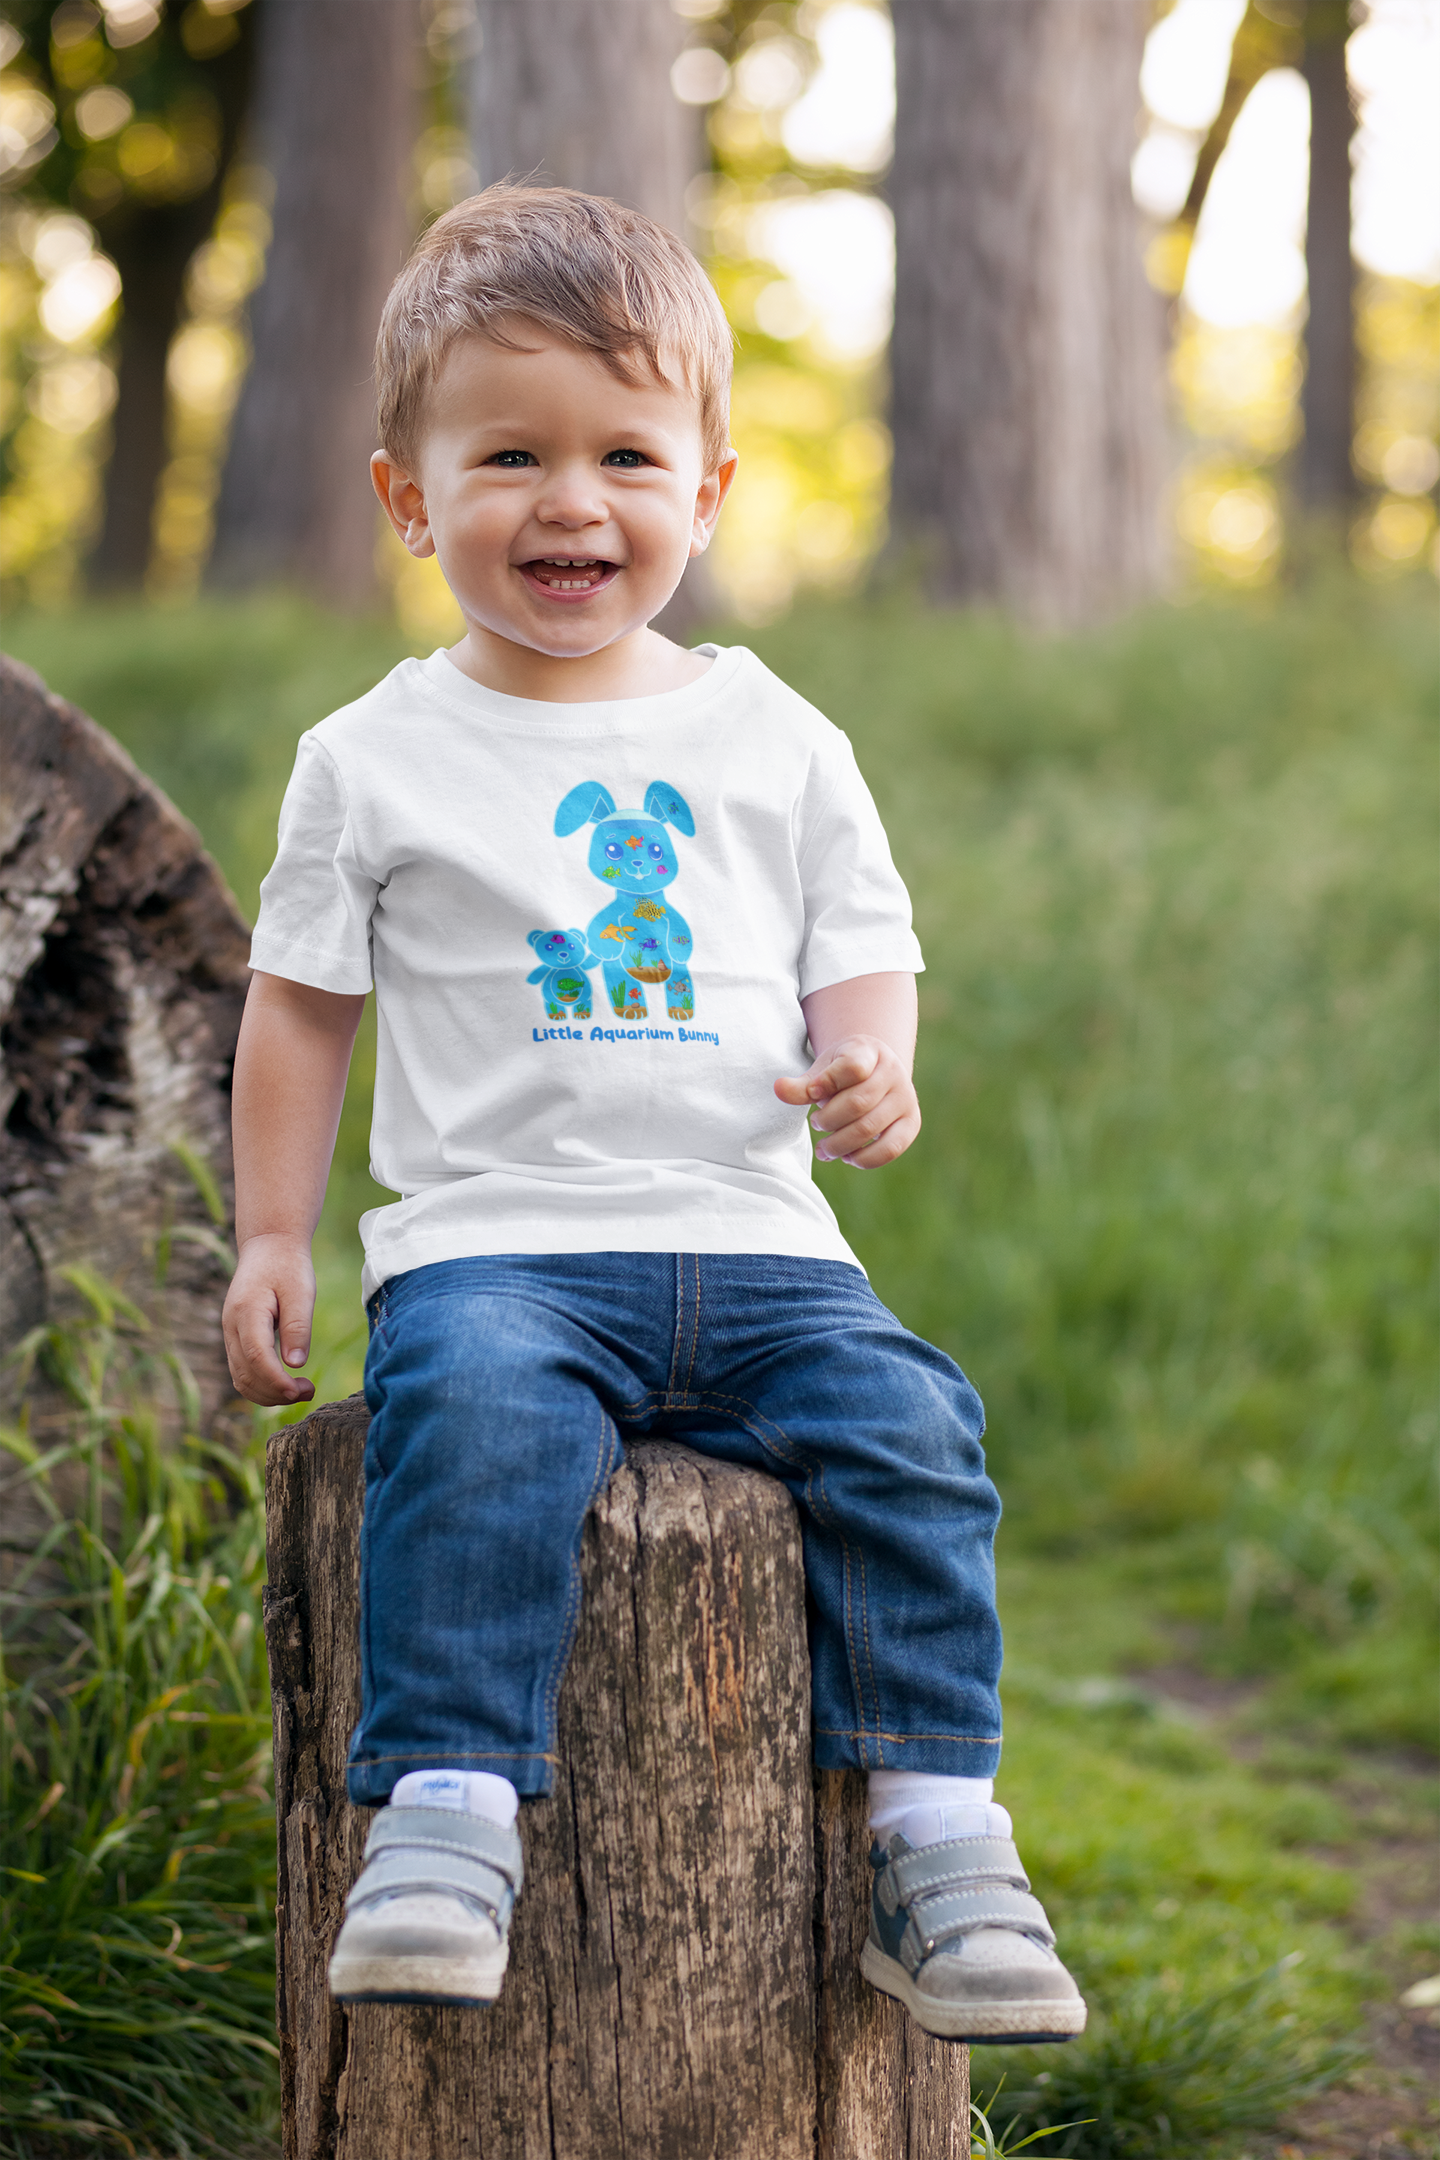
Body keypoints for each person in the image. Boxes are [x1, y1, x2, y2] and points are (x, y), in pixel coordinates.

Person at [223, 184, 1085, 2047]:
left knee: (917, 1432)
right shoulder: (372, 758)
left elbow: (863, 947)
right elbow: (299, 1007)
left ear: (707, 492)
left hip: (763, 1246)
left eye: (625, 455)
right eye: (509, 455)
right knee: (474, 1439)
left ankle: (939, 1834)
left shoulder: (777, 737)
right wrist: (274, 1234)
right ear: (406, 498)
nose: (572, 501)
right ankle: (447, 1812)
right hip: (502, 1251)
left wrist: (871, 1061)